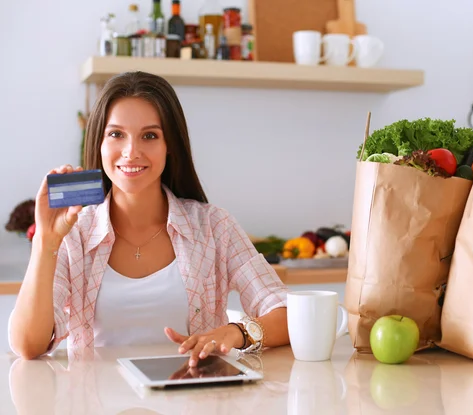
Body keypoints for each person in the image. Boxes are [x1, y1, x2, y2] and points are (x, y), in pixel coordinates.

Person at [8, 71, 290, 366]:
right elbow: (28, 345)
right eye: (116, 134)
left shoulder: (213, 226)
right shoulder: (75, 233)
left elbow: (287, 313)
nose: (131, 152)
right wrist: (45, 240)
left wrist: (237, 332)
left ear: (170, 146)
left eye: (150, 135)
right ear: (99, 144)